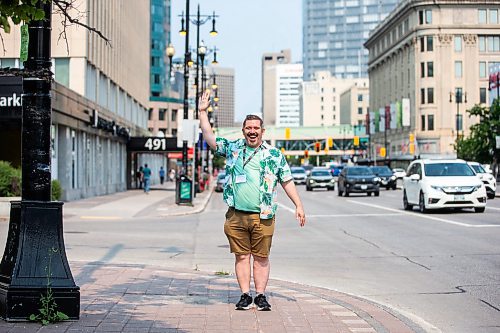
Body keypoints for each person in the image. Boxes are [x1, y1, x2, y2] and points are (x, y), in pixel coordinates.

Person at [198, 90, 306, 311]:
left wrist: (298, 204)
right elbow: (210, 138)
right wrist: (202, 113)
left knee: (261, 257)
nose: (252, 132)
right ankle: (245, 295)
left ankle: (261, 295)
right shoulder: (234, 148)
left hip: (263, 215)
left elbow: (286, 180)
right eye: (249, 128)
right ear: (243, 130)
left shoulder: (274, 155)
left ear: (262, 131)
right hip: (236, 214)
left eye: (256, 128)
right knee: (241, 256)